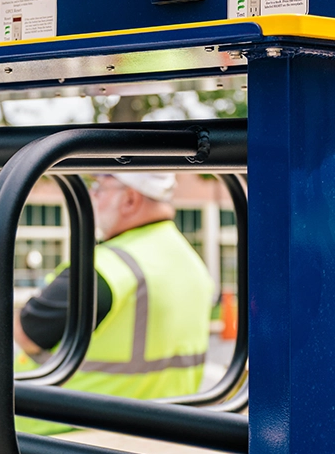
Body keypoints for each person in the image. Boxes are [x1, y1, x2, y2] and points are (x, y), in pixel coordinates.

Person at [14, 172, 214, 430]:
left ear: (130, 199)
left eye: (100, 187)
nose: (93, 196)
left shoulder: (108, 267)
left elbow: (27, 332)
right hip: (159, 438)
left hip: (61, 441)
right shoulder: (192, 264)